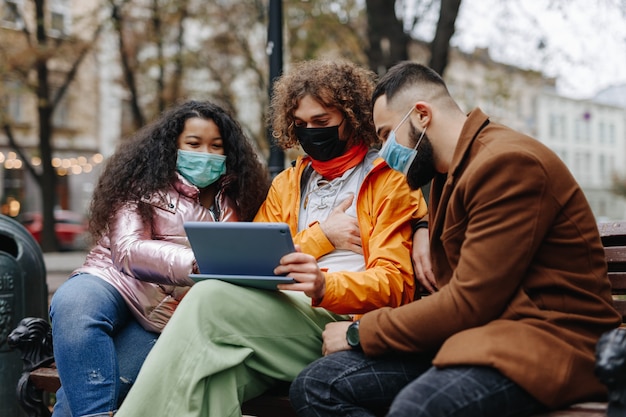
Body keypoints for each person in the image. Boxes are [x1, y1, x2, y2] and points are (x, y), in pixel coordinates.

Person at [289, 61, 623, 417]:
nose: (384, 152)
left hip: (546, 346)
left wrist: (360, 333)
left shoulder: (507, 164)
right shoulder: (451, 172)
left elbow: (469, 301)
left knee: (419, 408)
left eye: (386, 135)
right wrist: (420, 227)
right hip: (480, 338)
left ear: (421, 115)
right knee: (316, 386)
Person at [114, 59, 428, 417]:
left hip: (341, 323)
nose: (311, 132)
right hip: (276, 317)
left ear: (352, 118)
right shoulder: (287, 184)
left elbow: (395, 284)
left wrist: (325, 283)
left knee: (208, 297)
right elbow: (258, 261)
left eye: (322, 122)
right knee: (214, 377)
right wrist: (321, 237)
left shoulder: (388, 179)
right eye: (301, 125)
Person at [48, 100, 271, 417]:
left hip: (164, 316)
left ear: (228, 152)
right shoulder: (141, 183)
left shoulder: (243, 200)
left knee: (87, 395)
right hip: (113, 282)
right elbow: (126, 250)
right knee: (73, 304)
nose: (205, 154)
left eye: (216, 146)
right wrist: (198, 261)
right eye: (194, 144)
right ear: (174, 146)